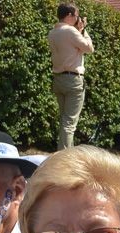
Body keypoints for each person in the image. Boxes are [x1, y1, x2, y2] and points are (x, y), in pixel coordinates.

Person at [47, 3, 94, 150]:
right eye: (75, 16)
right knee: (69, 124)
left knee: (64, 121)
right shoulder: (70, 32)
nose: (77, 18)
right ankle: (65, 158)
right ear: (68, 15)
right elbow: (89, 48)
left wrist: (78, 29)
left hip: (58, 79)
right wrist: (83, 30)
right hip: (73, 80)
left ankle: (64, 153)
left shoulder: (53, 33)